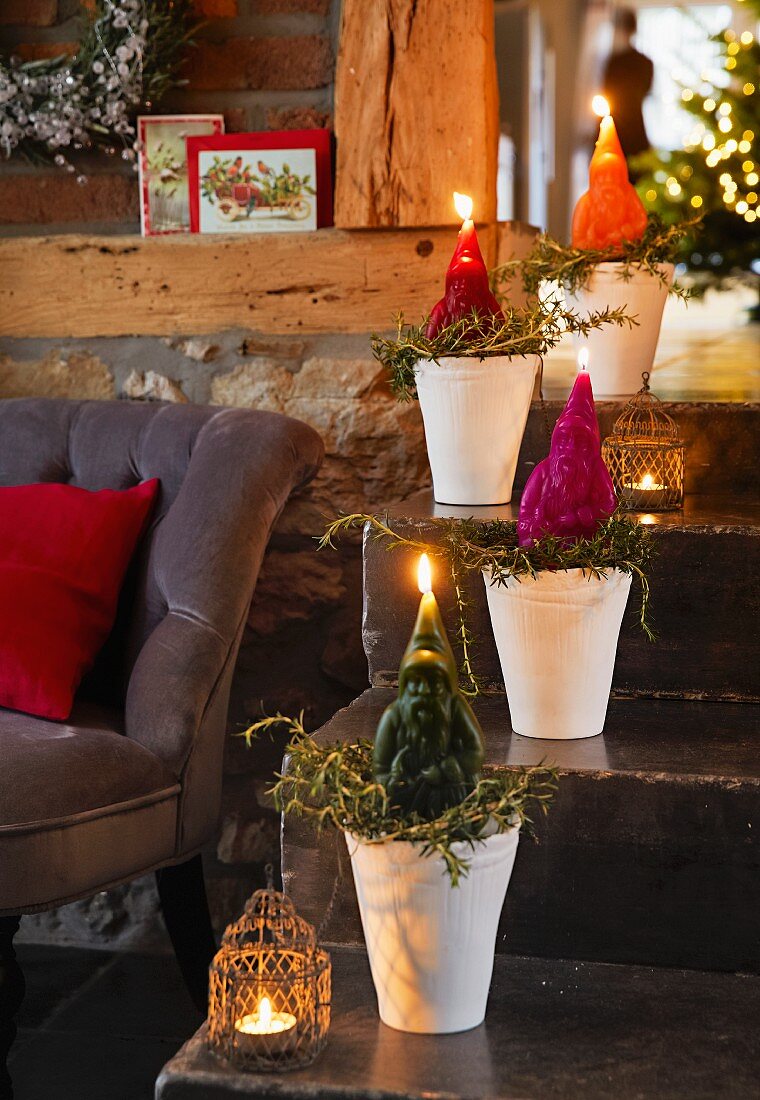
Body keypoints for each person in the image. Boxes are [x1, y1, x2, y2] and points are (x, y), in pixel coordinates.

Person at [602, 8, 654, 164]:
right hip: (635, 132)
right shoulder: (645, 62)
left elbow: (607, 94)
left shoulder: (614, 63)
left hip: (622, 132)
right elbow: (646, 91)